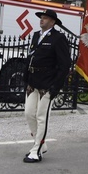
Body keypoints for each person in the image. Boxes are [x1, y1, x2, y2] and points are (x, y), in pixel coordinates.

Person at [22, 9, 71, 163]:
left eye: (45, 18)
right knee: (29, 114)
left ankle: (36, 150)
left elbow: (64, 65)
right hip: (33, 81)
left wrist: (56, 86)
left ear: (53, 22)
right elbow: (31, 57)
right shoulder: (36, 35)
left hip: (47, 83)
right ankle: (41, 143)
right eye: (41, 18)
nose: (41, 20)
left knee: (41, 117)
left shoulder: (59, 38)